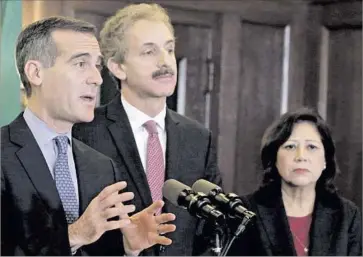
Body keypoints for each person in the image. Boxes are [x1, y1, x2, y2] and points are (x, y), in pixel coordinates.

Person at [1, 16, 176, 256]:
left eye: (97, 66)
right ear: (35, 72)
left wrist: (127, 249)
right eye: (80, 64)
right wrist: (74, 234)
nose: (97, 78)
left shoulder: (102, 167)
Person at [72, 3, 222, 255]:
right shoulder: (83, 134)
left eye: (169, 49)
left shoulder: (198, 138)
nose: (165, 62)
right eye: (149, 52)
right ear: (118, 67)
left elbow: (211, 230)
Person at [228, 107, 362, 256]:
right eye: (290, 146)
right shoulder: (244, 213)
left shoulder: (347, 215)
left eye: (311, 147)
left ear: (325, 160)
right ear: (274, 158)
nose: (301, 156)